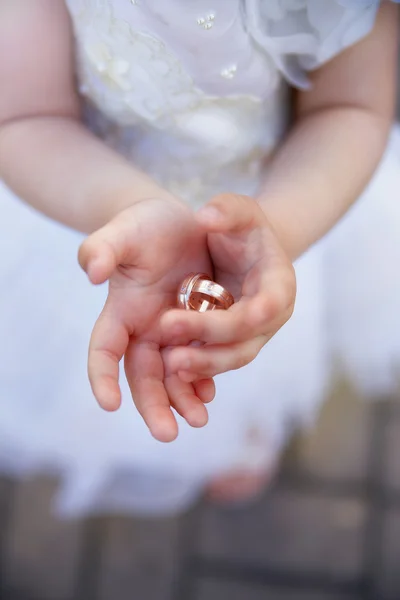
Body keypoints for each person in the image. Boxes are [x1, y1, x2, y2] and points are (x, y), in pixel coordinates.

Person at [0, 0, 399, 516]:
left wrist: (276, 232)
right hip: (93, 199)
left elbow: (349, 106)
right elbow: (24, 117)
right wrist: (125, 205)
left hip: (281, 199)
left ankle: (243, 428)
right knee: (118, 360)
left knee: (240, 345)